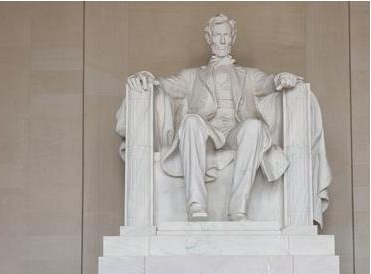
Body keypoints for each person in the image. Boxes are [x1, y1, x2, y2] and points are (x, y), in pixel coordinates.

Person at [126, 14, 307, 221]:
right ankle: (196, 205)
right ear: (209, 37)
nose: (222, 41)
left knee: (254, 127)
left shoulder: (248, 75)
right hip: (207, 133)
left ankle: (238, 209)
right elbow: (163, 84)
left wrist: (280, 78)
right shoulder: (191, 76)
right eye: (218, 35)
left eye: (227, 35)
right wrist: (146, 77)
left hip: (234, 132)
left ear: (233, 38)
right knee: (191, 121)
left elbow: (268, 82)